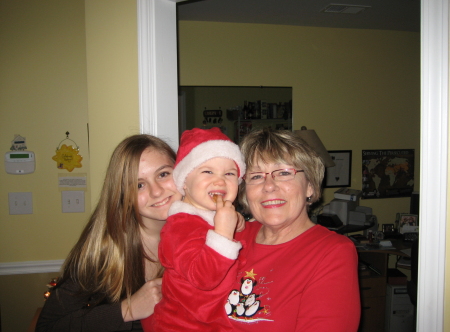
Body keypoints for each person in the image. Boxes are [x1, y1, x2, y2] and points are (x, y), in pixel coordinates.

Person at [36, 134, 183, 331]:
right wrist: (127, 310)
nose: (156, 191)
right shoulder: (105, 251)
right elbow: (47, 327)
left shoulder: (208, 238)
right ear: (123, 196)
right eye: (139, 185)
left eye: (163, 174)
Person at [226, 129, 361, 331]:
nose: (269, 186)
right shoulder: (229, 237)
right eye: (256, 176)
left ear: (310, 187)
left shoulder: (333, 252)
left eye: (284, 173)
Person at [142, 127, 246, 332]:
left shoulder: (213, 218)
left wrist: (233, 223)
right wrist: (223, 232)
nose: (220, 180)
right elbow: (203, 277)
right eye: (207, 171)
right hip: (183, 325)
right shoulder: (179, 227)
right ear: (184, 183)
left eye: (229, 173)